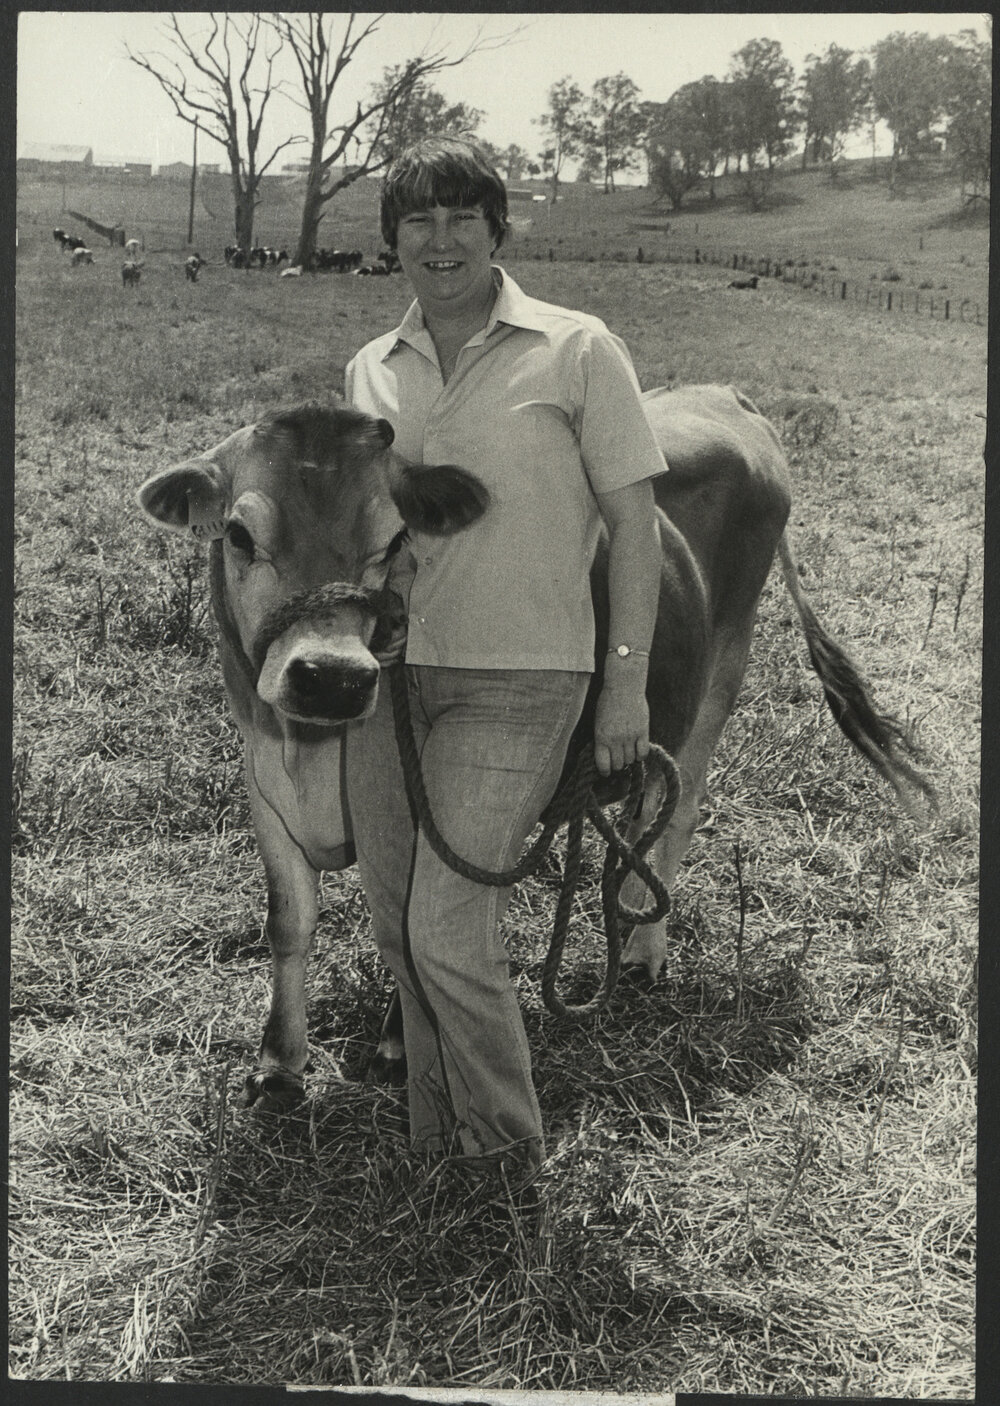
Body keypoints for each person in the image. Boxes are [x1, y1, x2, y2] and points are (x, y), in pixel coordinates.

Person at [344, 135, 667, 1181]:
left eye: (461, 220)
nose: (440, 242)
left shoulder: (576, 350)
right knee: (400, 926)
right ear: (392, 239)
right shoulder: (370, 369)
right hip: (392, 686)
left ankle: (502, 1168)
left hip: (524, 677)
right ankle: (437, 1147)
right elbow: (369, 529)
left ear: (496, 230)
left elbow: (635, 526)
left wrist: (622, 681)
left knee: (445, 925)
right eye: (418, 223)